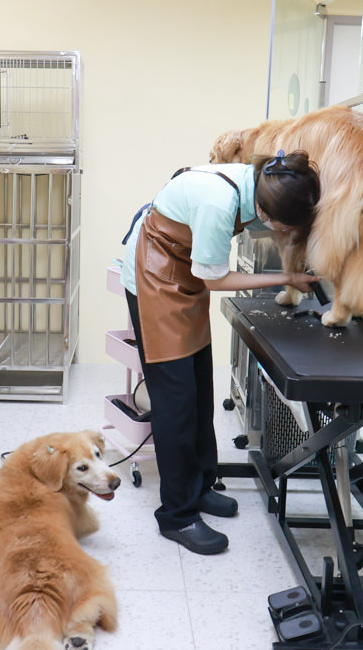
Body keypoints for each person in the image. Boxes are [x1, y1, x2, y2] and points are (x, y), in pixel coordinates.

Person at [120, 150, 321, 555]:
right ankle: (177, 515)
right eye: (286, 225)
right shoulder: (220, 203)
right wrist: (288, 276)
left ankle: (201, 485)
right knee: (175, 403)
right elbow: (213, 278)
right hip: (156, 280)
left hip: (185, 275)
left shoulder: (260, 182)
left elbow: (202, 271)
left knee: (198, 387)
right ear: (267, 216)